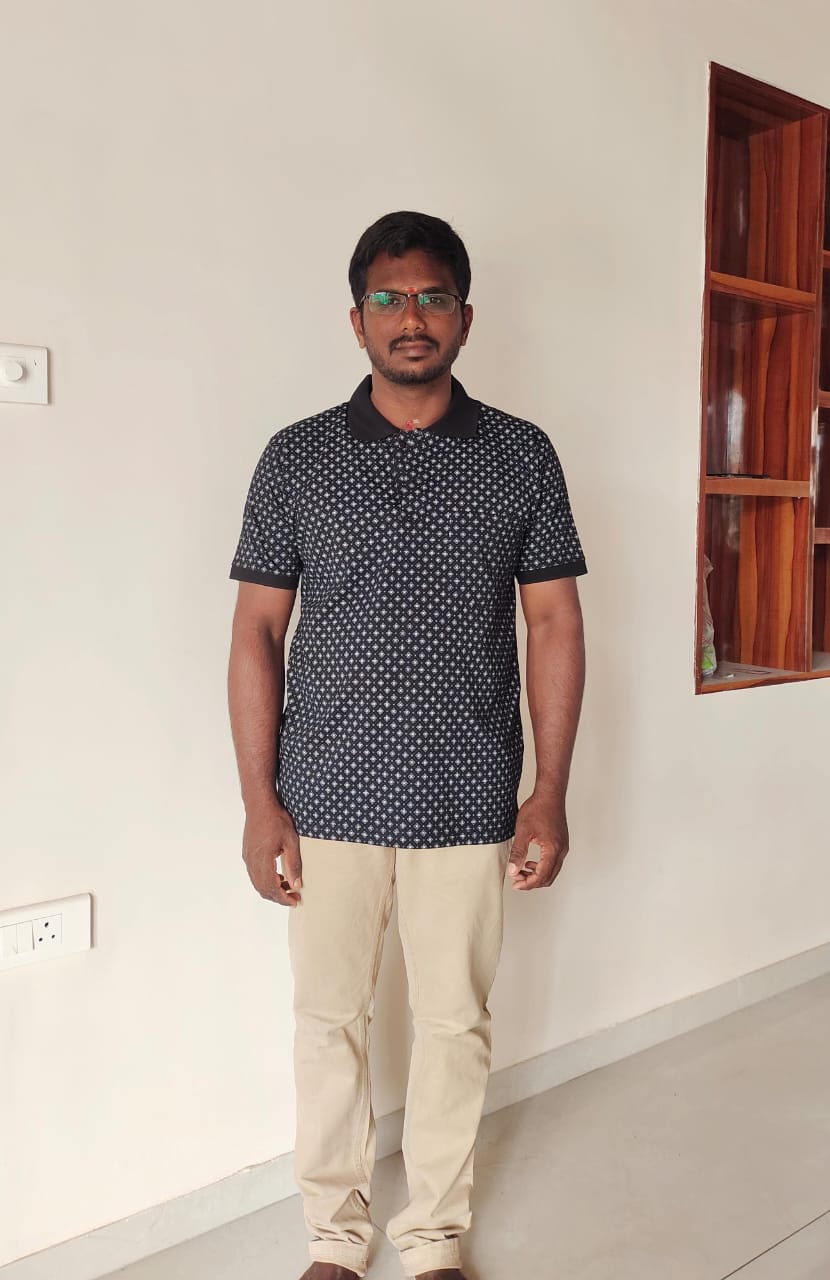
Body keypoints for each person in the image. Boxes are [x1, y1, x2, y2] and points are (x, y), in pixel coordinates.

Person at [227, 211, 587, 1280]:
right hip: (322, 790)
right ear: (356, 321)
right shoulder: (296, 457)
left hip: (468, 791)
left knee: (454, 1024)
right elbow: (255, 632)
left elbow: (554, 623)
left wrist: (548, 790)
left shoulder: (520, 453)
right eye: (387, 299)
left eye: (431, 297)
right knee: (327, 1021)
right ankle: (334, 1240)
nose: (410, 317)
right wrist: (259, 800)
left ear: (465, 317)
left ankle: (433, 1237)